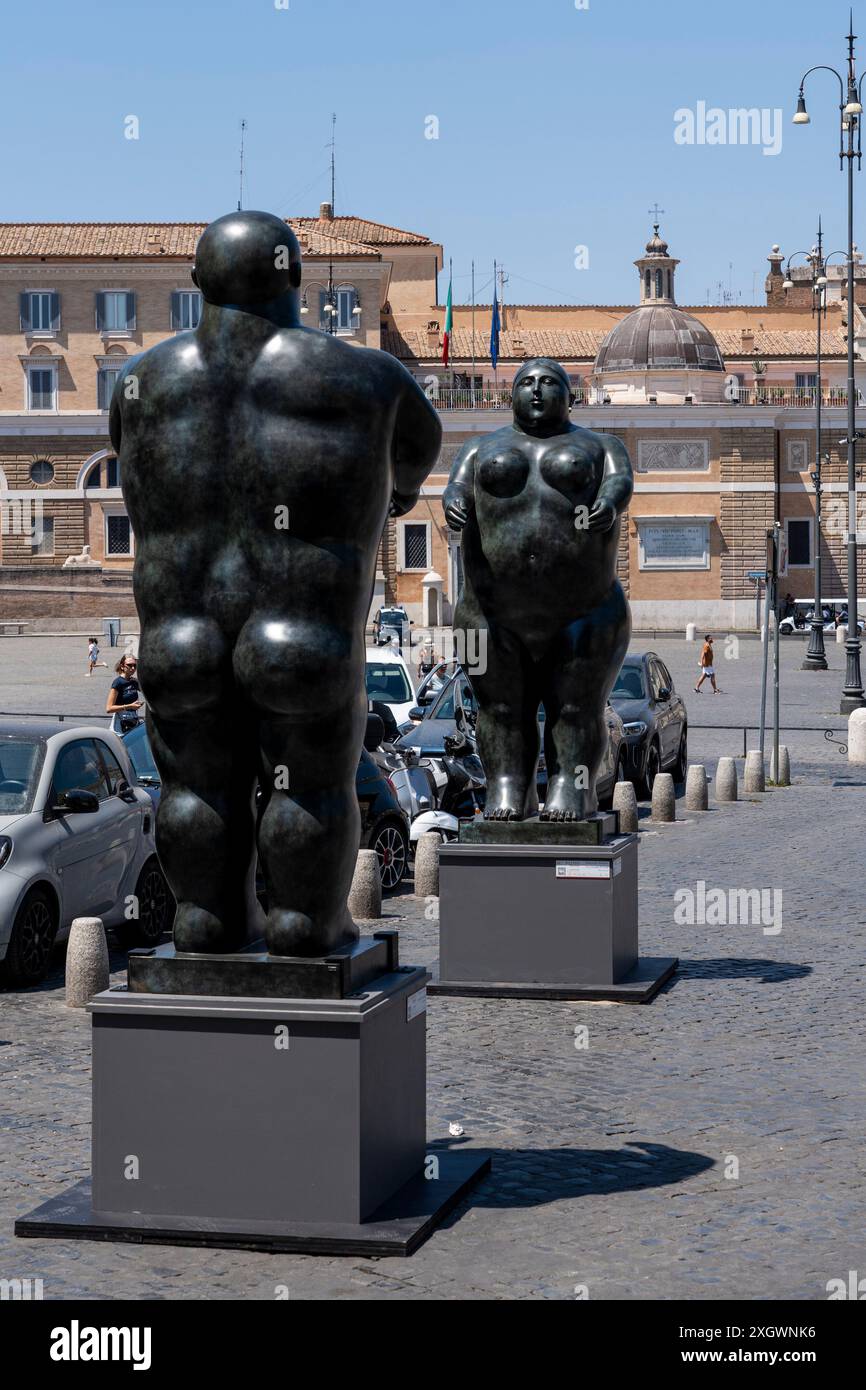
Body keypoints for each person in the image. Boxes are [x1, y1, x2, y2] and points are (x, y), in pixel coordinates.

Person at [106, 653, 143, 730]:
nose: (133, 668)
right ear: (122, 666)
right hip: (120, 726)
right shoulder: (118, 682)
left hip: (133, 722)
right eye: (129, 665)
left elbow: (149, 692)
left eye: (135, 665)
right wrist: (129, 706)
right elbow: (109, 708)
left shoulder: (134, 682)